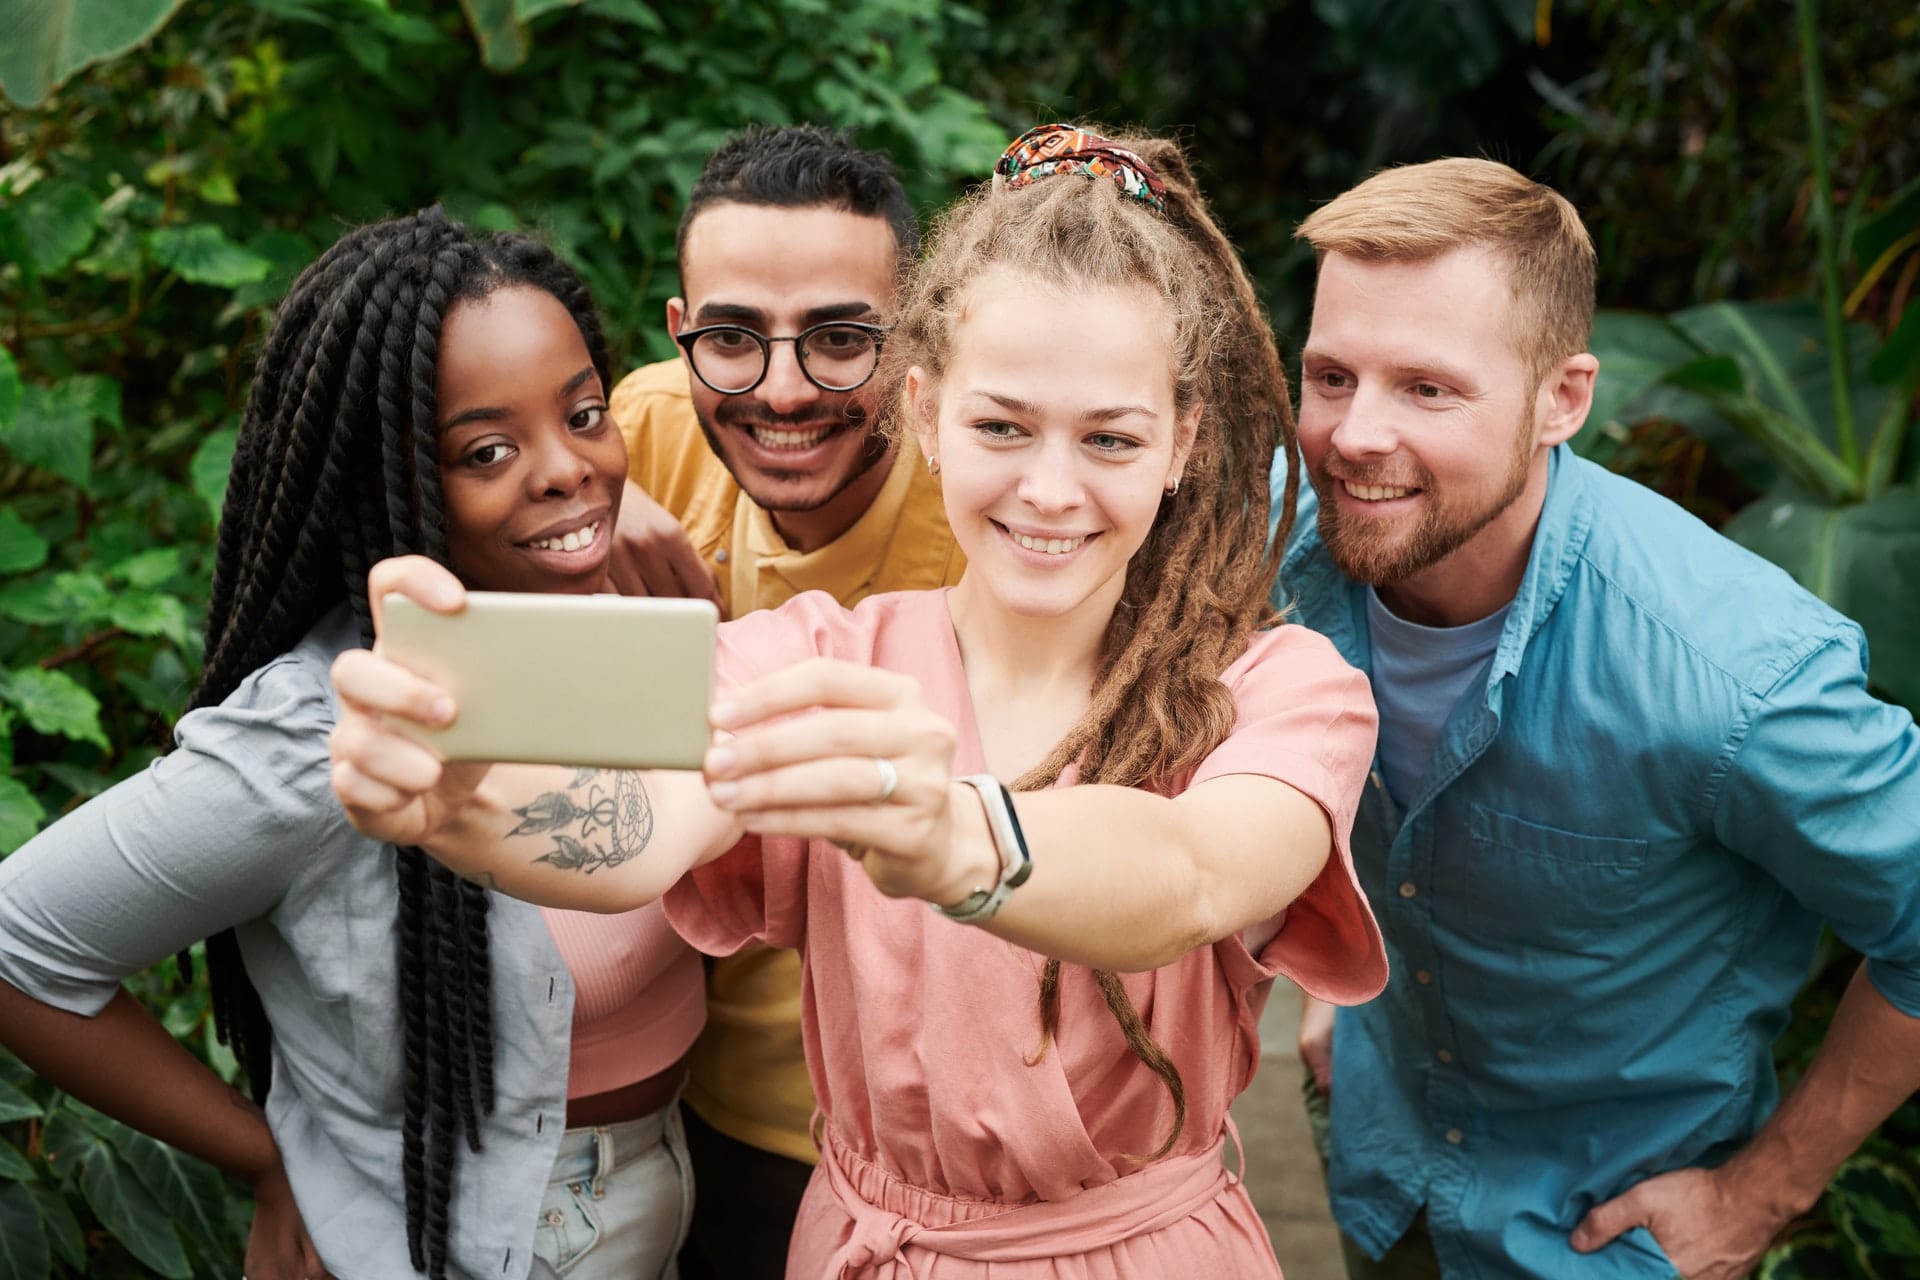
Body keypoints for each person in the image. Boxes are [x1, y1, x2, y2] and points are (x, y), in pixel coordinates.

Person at [329, 124, 1389, 1279]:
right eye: (1001, 425)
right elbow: (643, 826)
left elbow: (1197, 871)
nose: (1050, 487)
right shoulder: (811, 655)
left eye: (1110, 438)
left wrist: (952, 834)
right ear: (923, 411)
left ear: (1183, 437)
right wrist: (462, 802)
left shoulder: (1283, 685)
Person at [0, 208, 702, 1280]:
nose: (570, 470)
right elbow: (19, 945)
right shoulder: (324, 734)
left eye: (585, 414)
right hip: (478, 1234)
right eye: (487, 448)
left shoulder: (630, 616)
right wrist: (269, 1160)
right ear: (390, 482)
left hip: (664, 1185)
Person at [1279, 157, 1920, 1280]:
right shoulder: (1288, 560)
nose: (1354, 435)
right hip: (1378, 1168)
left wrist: (1758, 1195)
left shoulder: (1729, 672)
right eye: (1332, 375)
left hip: (1601, 1231)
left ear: (1563, 399)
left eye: (1428, 388)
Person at [602, 124, 966, 1279]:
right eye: (733, 338)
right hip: (693, 1106)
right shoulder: (643, 435)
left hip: (936, 1139)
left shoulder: (992, 506)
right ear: (681, 334)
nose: (784, 389)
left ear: (916, 343)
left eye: (841, 339)